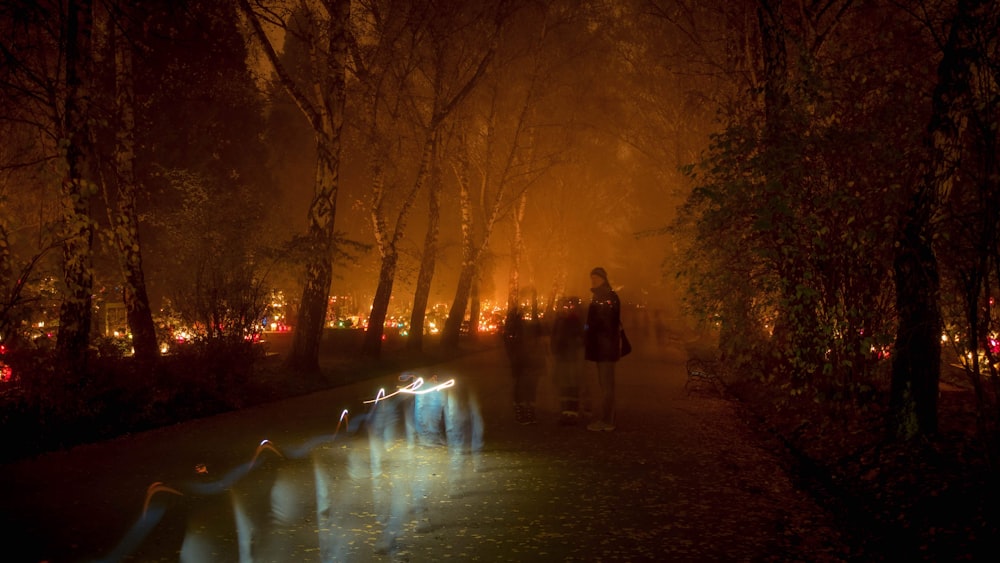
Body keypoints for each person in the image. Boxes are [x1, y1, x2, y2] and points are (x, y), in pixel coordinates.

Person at [584, 267, 622, 431]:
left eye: (596, 278)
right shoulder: (603, 296)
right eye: (591, 278)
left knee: (606, 385)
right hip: (604, 345)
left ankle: (607, 421)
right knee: (606, 384)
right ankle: (608, 419)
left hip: (604, 346)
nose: (593, 281)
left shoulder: (605, 297)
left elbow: (604, 323)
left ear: (603, 279)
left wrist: (588, 330)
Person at [502, 307, 545, 424]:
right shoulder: (513, 328)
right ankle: (522, 410)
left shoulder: (524, 326)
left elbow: (534, 340)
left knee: (527, 385)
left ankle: (527, 409)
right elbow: (509, 343)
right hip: (520, 360)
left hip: (526, 359)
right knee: (522, 385)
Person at [550, 296, 586, 425]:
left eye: (570, 307)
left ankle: (573, 411)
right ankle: (565, 410)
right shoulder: (559, 320)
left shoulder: (577, 320)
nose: (567, 309)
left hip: (572, 356)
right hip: (562, 355)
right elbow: (554, 335)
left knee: (572, 383)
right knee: (564, 383)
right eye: (565, 307)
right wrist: (554, 348)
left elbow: (583, 334)